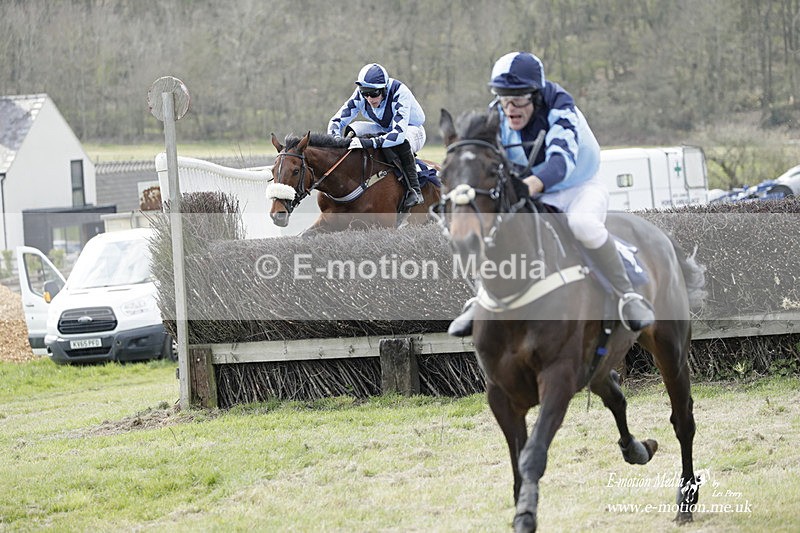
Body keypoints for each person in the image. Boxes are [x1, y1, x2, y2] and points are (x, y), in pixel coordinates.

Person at [447, 51, 655, 337]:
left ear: (536, 95)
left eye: (518, 99)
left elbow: (560, 164)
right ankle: (482, 298)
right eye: (504, 98)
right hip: (535, 189)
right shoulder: (498, 111)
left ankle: (628, 295)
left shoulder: (560, 106)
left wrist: (527, 186)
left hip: (578, 186)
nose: (510, 108)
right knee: (498, 227)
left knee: (584, 225)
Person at [328, 63, 426, 208]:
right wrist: (336, 141)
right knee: (352, 130)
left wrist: (369, 143)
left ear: (384, 89)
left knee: (401, 142)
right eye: (365, 93)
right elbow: (336, 121)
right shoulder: (361, 95)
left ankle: (415, 190)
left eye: (374, 94)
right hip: (384, 128)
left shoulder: (399, 92)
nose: (369, 98)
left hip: (412, 130)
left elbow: (398, 134)